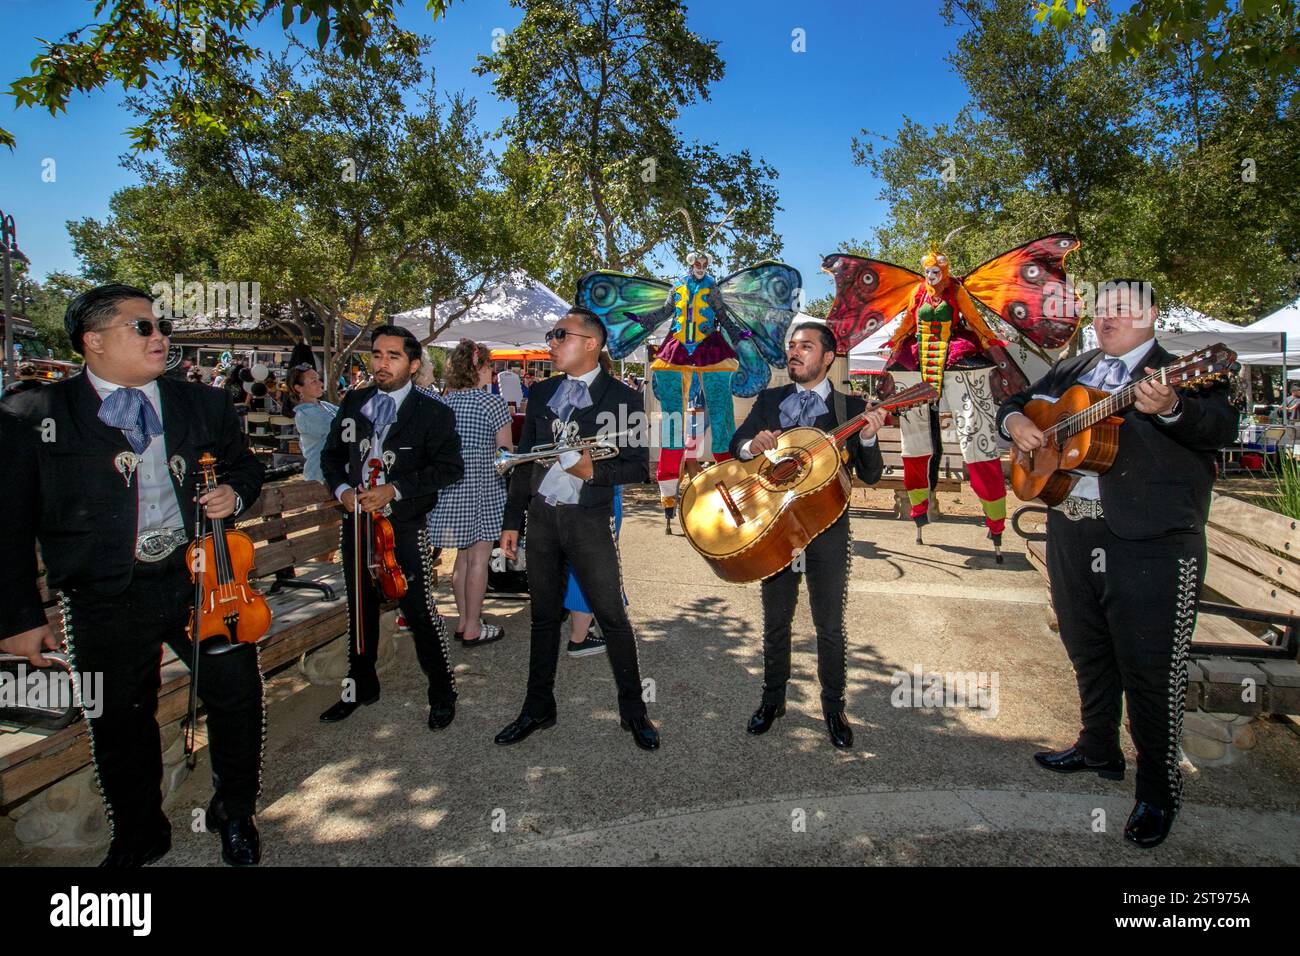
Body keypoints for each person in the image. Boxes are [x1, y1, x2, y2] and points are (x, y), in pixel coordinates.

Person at [0, 283, 266, 867]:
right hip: (102, 596)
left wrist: (234, 492)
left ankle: (235, 809)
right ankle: (140, 831)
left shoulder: (203, 403)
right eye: (142, 326)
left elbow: (246, 468)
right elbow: (8, 527)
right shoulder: (31, 414)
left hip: (202, 582)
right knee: (118, 719)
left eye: (160, 325)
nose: (160, 336)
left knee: (237, 692)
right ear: (93, 341)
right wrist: (18, 618)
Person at [998, 279, 1237, 849]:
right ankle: (1097, 746)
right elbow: (1016, 401)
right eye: (1100, 311)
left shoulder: (1182, 370)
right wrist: (1018, 426)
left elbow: (1220, 429)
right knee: (1087, 646)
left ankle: (1158, 789)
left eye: (1121, 311)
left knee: (1151, 669)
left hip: (1152, 541)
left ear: (1152, 315)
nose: (1106, 321)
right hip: (1073, 529)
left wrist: (1174, 407)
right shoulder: (1075, 365)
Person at [494, 307, 655, 751]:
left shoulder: (623, 399)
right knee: (543, 617)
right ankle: (537, 707)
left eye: (560, 334)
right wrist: (512, 522)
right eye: (551, 334)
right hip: (543, 520)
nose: (551, 342)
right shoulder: (542, 391)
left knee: (613, 618)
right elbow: (524, 463)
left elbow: (639, 467)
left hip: (588, 522)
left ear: (591, 343)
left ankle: (634, 712)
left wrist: (592, 472)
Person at [729, 322, 886, 750]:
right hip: (774, 530)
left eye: (806, 346)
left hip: (828, 532)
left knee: (829, 625)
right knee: (775, 621)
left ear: (828, 357)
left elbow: (871, 476)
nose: (795, 353)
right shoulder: (770, 399)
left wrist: (869, 441)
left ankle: (833, 708)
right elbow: (735, 445)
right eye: (791, 346)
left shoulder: (850, 408)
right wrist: (751, 446)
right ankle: (772, 700)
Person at [318, 325, 465, 730]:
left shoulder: (433, 412)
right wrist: (344, 489)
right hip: (357, 524)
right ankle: (359, 687)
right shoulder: (354, 402)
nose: (382, 363)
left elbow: (450, 468)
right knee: (360, 609)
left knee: (418, 610)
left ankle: (442, 693)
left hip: (403, 526)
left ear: (414, 364)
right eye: (377, 354)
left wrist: (395, 490)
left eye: (393, 356)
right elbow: (331, 457)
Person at [427, 340, 514, 646]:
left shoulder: (443, 403)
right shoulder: (492, 403)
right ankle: (474, 625)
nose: (493, 372)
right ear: (478, 367)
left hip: (451, 485)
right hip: (482, 485)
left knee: (461, 560)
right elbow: (505, 453)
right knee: (478, 559)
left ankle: (465, 619)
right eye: (490, 366)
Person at [288, 364, 339, 484]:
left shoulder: (325, 405)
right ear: (299, 388)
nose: (320, 384)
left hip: (337, 473)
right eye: (313, 381)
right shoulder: (305, 414)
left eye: (318, 379)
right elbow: (342, 427)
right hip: (321, 477)